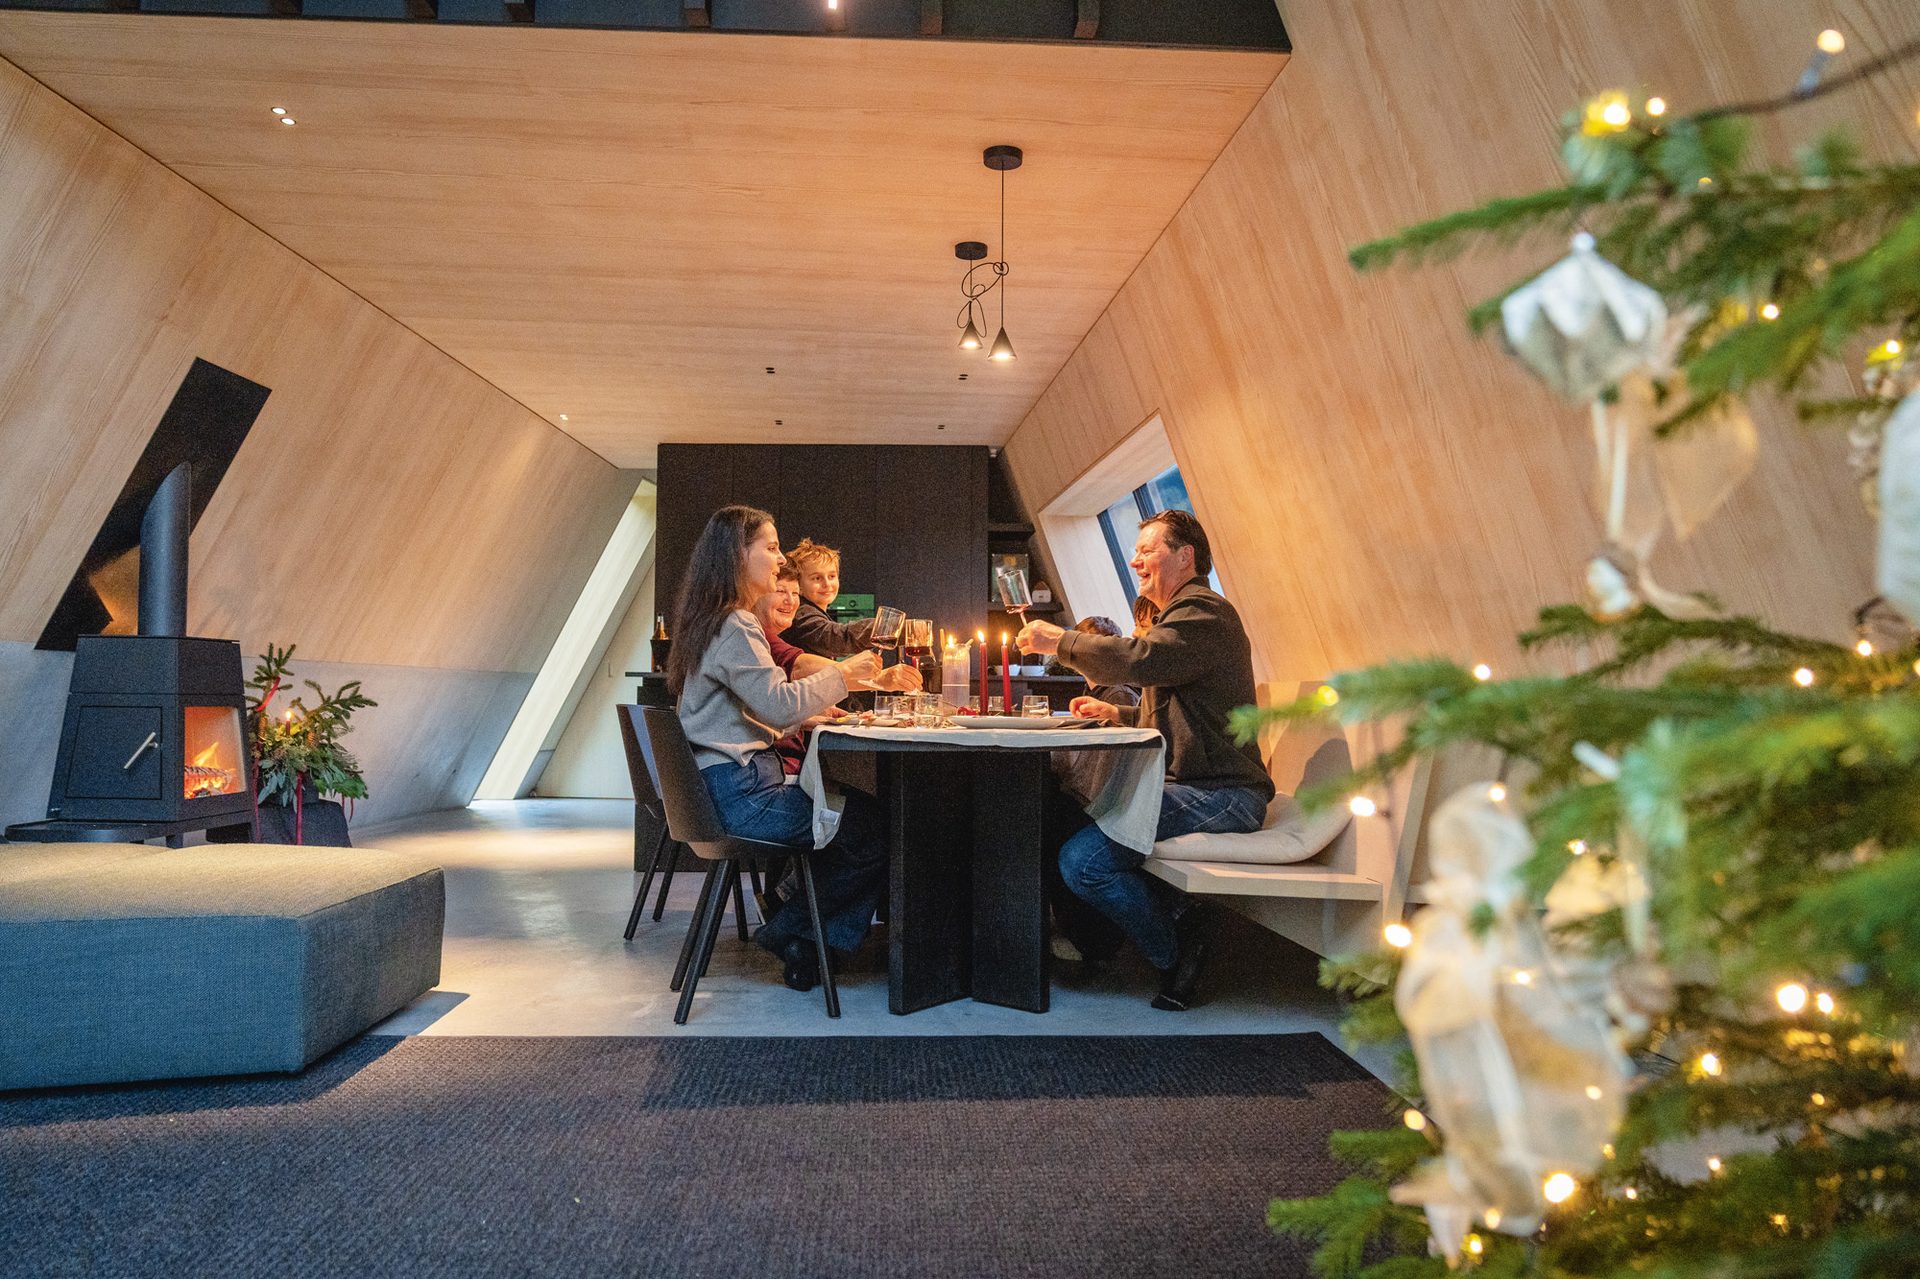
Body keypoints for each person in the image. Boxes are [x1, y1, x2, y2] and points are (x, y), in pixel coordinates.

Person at [1016, 509, 1272, 1011]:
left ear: (1185, 556)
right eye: (1134, 552)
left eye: (1146, 550)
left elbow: (1140, 659)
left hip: (1224, 796)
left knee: (1083, 862)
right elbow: (1186, 709)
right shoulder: (1183, 619)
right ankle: (1161, 918)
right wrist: (1120, 710)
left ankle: (1176, 949)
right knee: (1066, 814)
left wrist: (1059, 641)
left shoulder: (1204, 612)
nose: (1134, 560)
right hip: (1192, 787)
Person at [668, 505, 888, 993]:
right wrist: (842, 675)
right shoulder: (736, 625)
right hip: (742, 796)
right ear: (737, 555)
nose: (780, 557)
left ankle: (804, 937)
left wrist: (812, 713)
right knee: (873, 828)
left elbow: (755, 712)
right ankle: (795, 933)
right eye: (770, 547)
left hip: (719, 790)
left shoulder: (713, 620)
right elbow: (778, 705)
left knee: (858, 823)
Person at [782, 538, 875, 658]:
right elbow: (837, 639)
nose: (827, 584)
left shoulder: (812, 611)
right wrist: (887, 628)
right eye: (817, 578)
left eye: (831, 576)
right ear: (798, 585)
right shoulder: (801, 612)